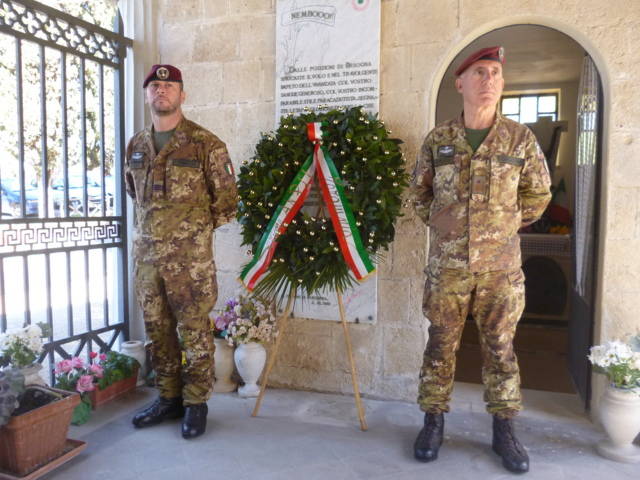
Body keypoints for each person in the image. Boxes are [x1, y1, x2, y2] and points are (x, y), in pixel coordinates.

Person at [410, 46, 551, 473]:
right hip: (448, 268)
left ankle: (504, 430)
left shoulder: (519, 139)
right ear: (461, 83)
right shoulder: (439, 140)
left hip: (500, 270)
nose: (488, 79)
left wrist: (503, 225)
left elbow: (538, 195)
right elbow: (419, 193)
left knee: (501, 349)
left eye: (494, 73)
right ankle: (433, 421)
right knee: (440, 344)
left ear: (502, 83)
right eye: (479, 73)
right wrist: (443, 223)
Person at [124, 64, 238, 439]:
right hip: (147, 262)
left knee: (194, 331)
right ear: (147, 95)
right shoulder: (136, 146)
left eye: (169, 86)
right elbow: (134, 194)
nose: (162, 91)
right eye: (155, 86)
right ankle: (168, 398)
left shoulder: (206, 144)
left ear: (182, 95)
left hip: (190, 264)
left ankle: (195, 403)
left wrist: (188, 234)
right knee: (158, 331)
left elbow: (226, 203)